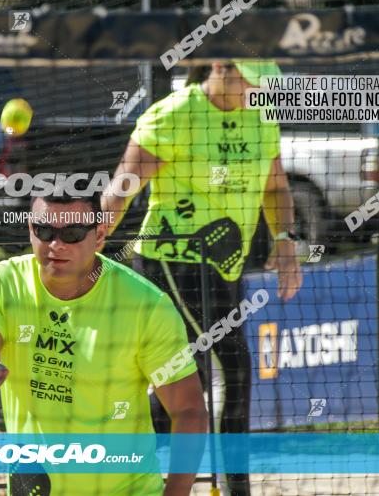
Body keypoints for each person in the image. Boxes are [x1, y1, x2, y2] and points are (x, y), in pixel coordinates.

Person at [101, 60, 303, 496]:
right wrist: (89, 245)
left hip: (226, 268)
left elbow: (276, 187)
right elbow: (121, 186)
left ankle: (128, 472)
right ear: (221, 67)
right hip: (172, 262)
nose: (260, 90)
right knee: (235, 369)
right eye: (254, 80)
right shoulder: (175, 114)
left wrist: (286, 239)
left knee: (183, 379)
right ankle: (236, 488)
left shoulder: (261, 116)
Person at [0, 185, 208, 495]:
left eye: (71, 233)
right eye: (44, 231)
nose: (56, 244)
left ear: (99, 235)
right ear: (30, 228)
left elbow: (188, 410)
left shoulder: (146, 305)